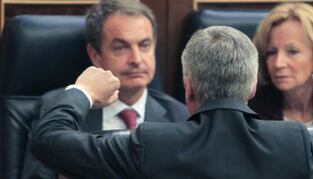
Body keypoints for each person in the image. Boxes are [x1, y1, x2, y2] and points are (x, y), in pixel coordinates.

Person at [31, 26, 313, 179]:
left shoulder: (150, 145)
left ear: (188, 87)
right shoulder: (296, 144)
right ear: (252, 89)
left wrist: (81, 91)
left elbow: (48, 140)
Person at [22, 0, 188, 178]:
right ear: (96, 55)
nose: (137, 59)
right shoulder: (60, 110)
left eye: (144, 45)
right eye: (121, 47)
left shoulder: (180, 117)